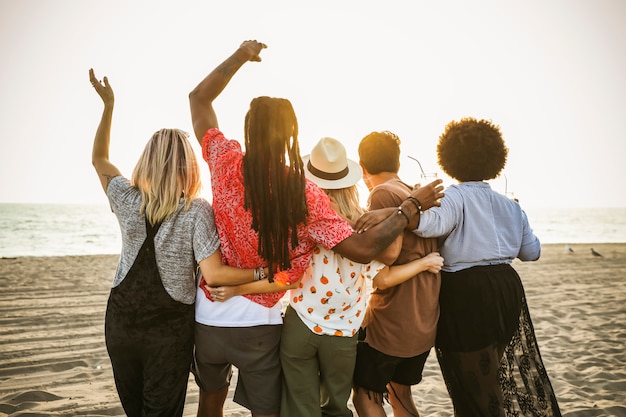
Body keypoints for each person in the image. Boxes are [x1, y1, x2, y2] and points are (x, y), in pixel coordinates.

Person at [188, 40, 445, 417]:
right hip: (262, 319)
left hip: (210, 313)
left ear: (248, 128)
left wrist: (241, 57)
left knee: (210, 403)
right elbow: (359, 249)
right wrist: (409, 207)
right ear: (293, 134)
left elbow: (199, 99)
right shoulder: (302, 192)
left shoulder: (224, 160)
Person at [357, 118, 562, 416]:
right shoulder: (511, 206)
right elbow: (532, 252)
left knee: (473, 385)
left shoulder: (453, 198)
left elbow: (426, 225)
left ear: (449, 157)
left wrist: (394, 211)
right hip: (506, 289)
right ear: (496, 158)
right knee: (489, 372)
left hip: (466, 294)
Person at [89, 69, 261, 417]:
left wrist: (108, 105)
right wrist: (262, 271)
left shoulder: (125, 197)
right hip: (169, 332)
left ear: (147, 162)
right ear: (188, 166)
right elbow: (214, 275)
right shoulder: (197, 210)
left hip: (121, 323)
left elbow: (99, 159)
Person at [351, 131, 442, 417]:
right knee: (400, 395)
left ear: (362, 168)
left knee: (366, 396)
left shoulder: (381, 194)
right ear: (398, 163)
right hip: (423, 319)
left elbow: (383, 266)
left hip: (392, 321)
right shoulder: (411, 193)